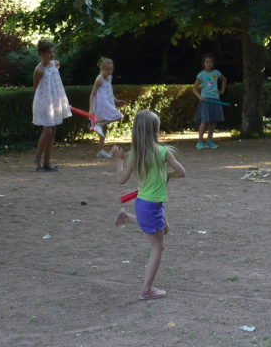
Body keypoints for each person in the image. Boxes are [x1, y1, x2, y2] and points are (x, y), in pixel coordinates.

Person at [112, 110, 186, 300]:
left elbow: (121, 179)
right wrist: (168, 174)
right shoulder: (164, 152)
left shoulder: (133, 155)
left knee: (165, 229)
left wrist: (119, 160)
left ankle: (127, 218)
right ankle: (147, 289)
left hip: (145, 204)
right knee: (158, 247)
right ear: (155, 130)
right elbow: (182, 172)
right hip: (151, 206)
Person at [32, 40, 71, 171]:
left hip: (55, 102)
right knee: (47, 130)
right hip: (45, 102)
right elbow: (36, 87)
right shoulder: (39, 70)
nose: (52, 55)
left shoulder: (55, 64)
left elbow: (55, 81)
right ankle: (37, 159)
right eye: (49, 52)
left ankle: (47, 162)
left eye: (53, 52)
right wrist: (42, 101)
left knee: (53, 131)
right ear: (41, 53)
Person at [89, 57, 126, 158]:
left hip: (107, 102)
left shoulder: (109, 77)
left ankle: (101, 150)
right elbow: (92, 94)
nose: (109, 72)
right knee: (119, 115)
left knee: (104, 128)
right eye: (107, 70)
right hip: (102, 104)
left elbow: (109, 90)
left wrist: (116, 100)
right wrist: (91, 109)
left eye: (111, 70)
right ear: (102, 68)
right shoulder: (99, 79)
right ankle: (98, 125)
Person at [192, 53, 227, 149]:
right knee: (205, 121)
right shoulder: (201, 74)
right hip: (205, 100)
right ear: (203, 63)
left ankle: (210, 141)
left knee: (213, 121)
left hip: (216, 99)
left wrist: (222, 90)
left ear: (213, 63)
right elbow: (194, 87)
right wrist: (199, 97)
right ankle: (200, 142)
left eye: (210, 62)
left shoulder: (216, 72)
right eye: (207, 62)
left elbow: (224, 79)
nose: (209, 64)